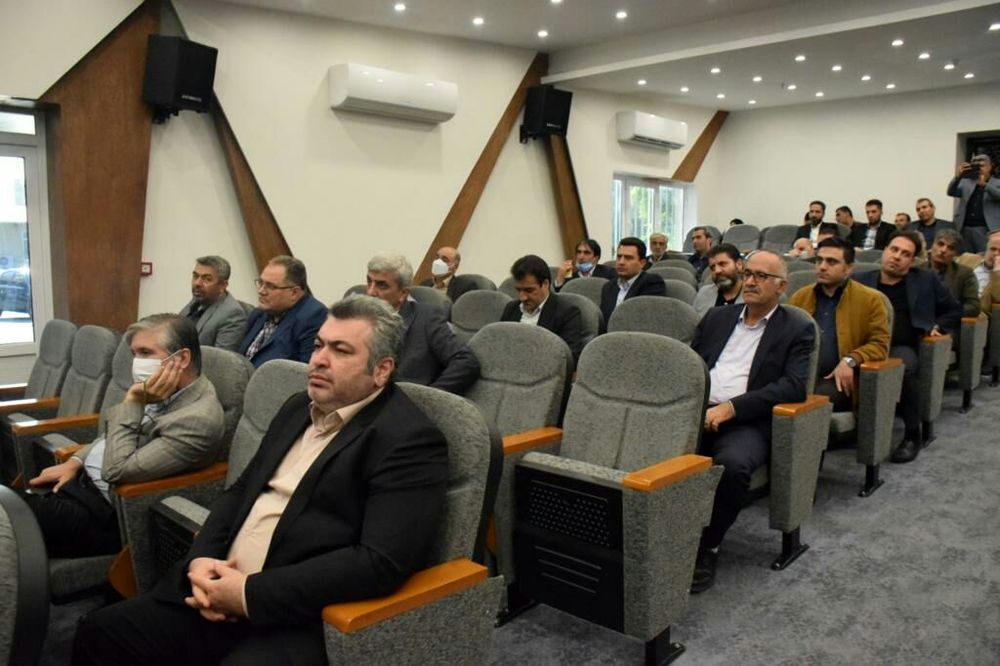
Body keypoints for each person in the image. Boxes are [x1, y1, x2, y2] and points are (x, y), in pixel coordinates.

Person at [73, 296, 449, 665]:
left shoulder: (408, 439)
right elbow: (241, 490)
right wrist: (201, 560)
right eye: (318, 345)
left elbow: (378, 562)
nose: (319, 359)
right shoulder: (297, 408)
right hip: (217, 583)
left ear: (381, 370)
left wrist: (247, 594)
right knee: (100, 632)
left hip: (293, 615)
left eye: (341, 350)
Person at [22, 314, 224, 558]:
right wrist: (75, 461)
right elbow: (113, 436)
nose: (136, 363)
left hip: (107, 514)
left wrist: (134, 402)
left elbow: (115, 471)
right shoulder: (162, 388)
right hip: (78, 486)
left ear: (181, 359)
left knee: (9, 519)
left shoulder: (197, 420)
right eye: (134, 354)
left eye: (145, 353)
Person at [690, 250, 814, 593]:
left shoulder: (797, 327)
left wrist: (732, 408)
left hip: (747, 420)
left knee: (733, 466)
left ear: (781, 286)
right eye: (748, 274)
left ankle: (709, 545)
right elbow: (691, 362)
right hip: (697, 410)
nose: (751, 281)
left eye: (762, 276)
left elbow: (794, 385)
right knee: (649, 445)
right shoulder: (717, 317)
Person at [853, 231, 962, 463]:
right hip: (864, 344)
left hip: (900, 345)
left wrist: (938, 326)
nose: (897, 257)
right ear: (885, 251)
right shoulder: (860, 280)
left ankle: (912, 434)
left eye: (905, 254)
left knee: (905, 367)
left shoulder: (925, 280)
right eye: (894, 250)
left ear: (912, 261)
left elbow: (954, 309)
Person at [788, 237, 890, 412]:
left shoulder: (871, 299)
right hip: (798, 375)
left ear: (849, 269)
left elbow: (880, 345)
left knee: (811, 401)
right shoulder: (800, 297)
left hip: (836, 379)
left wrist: (850, 360)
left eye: (831, 262)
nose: (822, 267)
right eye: (819, 260)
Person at [366, 253, 479, 394]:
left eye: (382, 285)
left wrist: (429, 397)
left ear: (403, 293)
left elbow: (465, 362)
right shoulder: (357, 315)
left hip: (400, 399)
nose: (370, 292)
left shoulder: (426, 318)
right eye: (369, 282)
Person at [239, 255, 327, 368]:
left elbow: (306, 371)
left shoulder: (313, 317)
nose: (261, 291)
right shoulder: (259, 313)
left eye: (270, 286)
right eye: (261, 283)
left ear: (294, 293)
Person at [501, 254, 583, 363]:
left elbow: (569, 357)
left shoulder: (567, 313)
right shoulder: (511, 309)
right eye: (518, 290)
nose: (522, 297)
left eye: (529, 290)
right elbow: (500, 344)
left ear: (545, 284)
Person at [179, 256, 247, 352]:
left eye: (207, 279)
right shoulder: (197, 300)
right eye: (195, 276)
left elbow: (221, 359)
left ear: (223, 285)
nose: (197, 283)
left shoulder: (233, 314)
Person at [599, 237, 666, 331]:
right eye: (619, 257)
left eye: (628, 258)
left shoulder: (652, 283)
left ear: (642, 263)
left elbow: (645, 322)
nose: (621, 262)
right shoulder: (608, 287)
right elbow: (603, 324)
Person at [947, 154, 1000, 254]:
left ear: (990, 167)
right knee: (965, 258)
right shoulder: (966, 182)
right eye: (976, 166)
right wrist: (958, 176)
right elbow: (951, 192)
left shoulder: (997, 183)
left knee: (984, 258)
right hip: (965, 229)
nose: (979, 169)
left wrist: (985, 185)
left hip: (986, 230)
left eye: (981, 166)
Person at [928, 229, 980, 317]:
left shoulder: (965, 274)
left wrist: (951, 311)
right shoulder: (917, 270)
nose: (943, 250)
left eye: (951, 248)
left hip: (947, 322)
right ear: (932, 245)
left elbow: (974, 306)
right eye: (940, 244)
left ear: (955, 254)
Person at [693, 243, 744, 318]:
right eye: (712, 267)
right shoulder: (703, 293)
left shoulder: (753, 296)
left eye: (722, 264)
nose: (717, 271)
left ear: (739, 264)